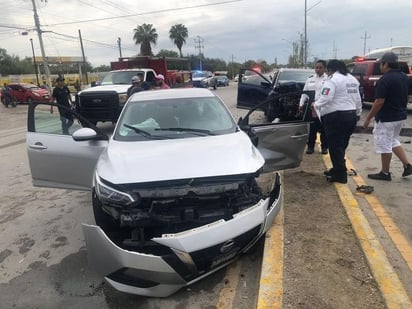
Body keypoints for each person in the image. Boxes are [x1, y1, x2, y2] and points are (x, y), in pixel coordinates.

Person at [363, 52, 412, 181]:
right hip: (400, 116)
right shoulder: (405, 77)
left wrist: (368, 118)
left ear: (386, 64)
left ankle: (385, 173)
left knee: (385, 144)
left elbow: (379, 101)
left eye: (381, 64)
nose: (380, 67)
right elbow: (408, 97)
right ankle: (407, 165)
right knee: (393, 140)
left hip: (387, 118)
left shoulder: (385, 79)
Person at [313, 59, 362, 184]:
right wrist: (358, 113)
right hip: (350, 116)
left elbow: (326, 97)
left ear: (330, 69)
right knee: (341, 145)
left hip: (336, 117)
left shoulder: (332, 79)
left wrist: (315, 104)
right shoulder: (352, 79)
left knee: (335, 146)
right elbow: (358, 99)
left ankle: (340, 175)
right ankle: (337, 168)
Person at [299, 60, 328, 154]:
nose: (318, 69)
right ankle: (310, 147)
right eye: (316, 67)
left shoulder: (328, 79)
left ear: (324, 68)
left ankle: (324, 147)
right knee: (312, 128)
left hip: (324, 107)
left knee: (324, 129)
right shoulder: (310, 79)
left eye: (320, 67)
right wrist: (301, 104)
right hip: (312, 107)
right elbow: (304, 93)